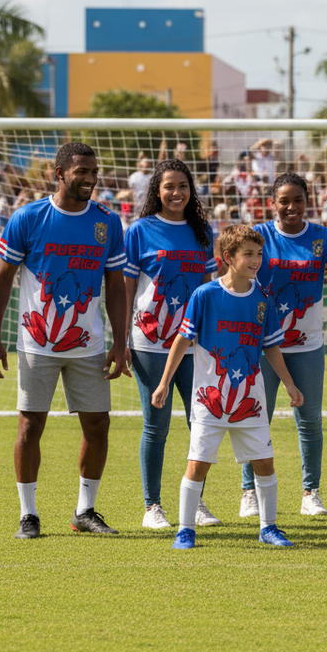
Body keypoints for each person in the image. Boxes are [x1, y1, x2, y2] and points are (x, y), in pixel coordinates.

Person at [0, 142, 129, 539]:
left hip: (89, 344)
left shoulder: (107, 222)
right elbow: (2, 277)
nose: (90, 178)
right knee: (30, 426)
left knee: (98, 425)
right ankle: (28, 515)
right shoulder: (28, 217)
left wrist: (120, 342)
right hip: (37, 343)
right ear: (60, 173)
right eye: (81, 171)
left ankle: (85, 510)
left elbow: (116, 285)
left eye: (93, 171)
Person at [152, 224, 303, 549]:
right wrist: (164, 382)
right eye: (248, 254)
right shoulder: (205, 295)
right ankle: (185, 530)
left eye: (259, 253)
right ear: (228, 257)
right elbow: (182, 340)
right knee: (198, 464)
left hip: (251, 399)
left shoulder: (262, 298)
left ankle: (268, 528)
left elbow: (271, 346)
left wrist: (290, 384)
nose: (256, 260)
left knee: (265, 463)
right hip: (210, 399)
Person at [238, 171, 327, 519]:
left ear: (307, 201)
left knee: (310, 421)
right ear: (272, 203)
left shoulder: (322, 237)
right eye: (284, 200)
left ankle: (310, 492)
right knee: (256, 418)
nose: (291, 206)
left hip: (307, 345)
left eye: (298, 199)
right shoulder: (259, 236)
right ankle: (249, 491)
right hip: (261, 346)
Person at [124, 158, 219, 530]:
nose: (177, 193)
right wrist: (122, 338)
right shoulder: (139, 231)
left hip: (195, 344)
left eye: (183, 186)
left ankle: (195, 502)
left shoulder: (203, 231)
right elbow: (127, 288)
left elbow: (210, 289)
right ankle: (153, 507)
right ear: (157, 191)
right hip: (150, 342)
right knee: (156, 425)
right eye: (169, 186)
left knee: (201, 423)